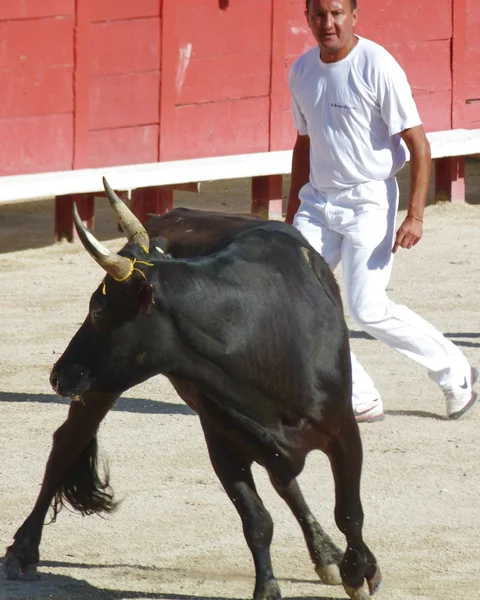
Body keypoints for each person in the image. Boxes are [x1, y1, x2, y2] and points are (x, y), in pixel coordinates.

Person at [286, 0, 477, 422]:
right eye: (319, 15)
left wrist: (415, 214)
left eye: (336, 13)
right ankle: (359, 396)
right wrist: (290, 214)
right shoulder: (301, 70)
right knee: (287, 294)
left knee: (367, 306)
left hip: (368, 199)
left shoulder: (378, 65)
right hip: (316, 202)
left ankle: (454, 370)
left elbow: (419, 145)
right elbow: (304, 144)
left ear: (354, 15)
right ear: (308, 19)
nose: (328, 23)